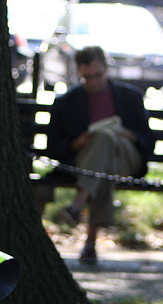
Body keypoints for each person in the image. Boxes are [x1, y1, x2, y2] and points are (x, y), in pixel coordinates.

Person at [46, 46, 155, 264]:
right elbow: (54, 148)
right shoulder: (67, 101)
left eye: (98, 76)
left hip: (127, 158)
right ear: (78, 71)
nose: (93, 82)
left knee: (105, 139)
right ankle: (89, 245)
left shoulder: (130, 97)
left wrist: (127, 134)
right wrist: (77, 142)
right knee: (103, 166)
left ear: (106, 68)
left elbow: (148, 141)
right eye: (87, 77)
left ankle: (77, 206)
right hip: (86, 162)